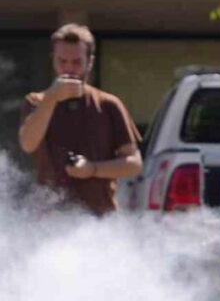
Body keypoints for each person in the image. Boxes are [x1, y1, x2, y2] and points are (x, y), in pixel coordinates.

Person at [18, 23, 142, 215]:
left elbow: (133, 164)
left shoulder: (108, 104)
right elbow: (28, 144)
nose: (69, 68)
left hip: (99, 219)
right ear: (53, 60)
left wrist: (92, 169)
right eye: (62, 61)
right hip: (49, 219)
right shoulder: (36, 102)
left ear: (90, 62)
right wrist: (51, 98)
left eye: (77, 62)